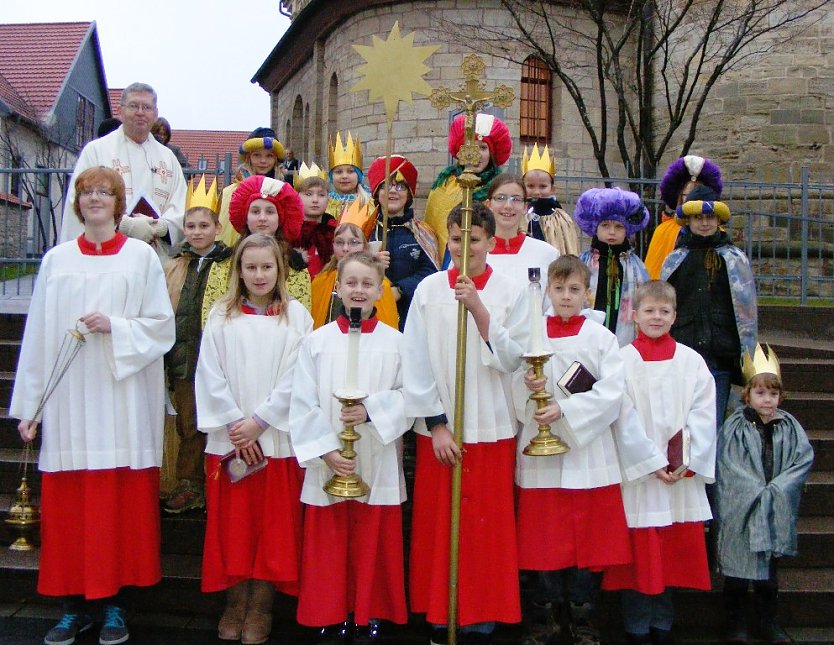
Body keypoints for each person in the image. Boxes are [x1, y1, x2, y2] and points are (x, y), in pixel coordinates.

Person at [11, 167, 175, 645]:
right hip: (69, 403)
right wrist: (31, 407)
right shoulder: (57, 261)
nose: (95, 199)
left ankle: (116, 607)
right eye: (87, 193)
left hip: (123, 399)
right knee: (70, 511)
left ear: (119, 204)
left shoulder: (140, 258)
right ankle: (71, 607)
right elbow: (38, 334)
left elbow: (161, 327)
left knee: (118, 510)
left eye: (105, 192)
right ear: (78, 204)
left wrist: (115, 326)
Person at [403, 203, 528, 644]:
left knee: (485, 530)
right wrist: (436, 423)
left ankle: (481, 618)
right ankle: (443, 616)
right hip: (441, 431)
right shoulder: (428, 290)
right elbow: (414, 360)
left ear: (491, 242)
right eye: (456, 239)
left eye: (473, 240)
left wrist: (478, 308)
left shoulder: (512, 290)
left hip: (491, 423)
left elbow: (514, 358)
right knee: (441, 528)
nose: (463, 248)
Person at [514, 255, 649, 645]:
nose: (566, 296)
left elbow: (613, 392)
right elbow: (512, 388)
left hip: (588, 454)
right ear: (547, 291)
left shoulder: (600, 337)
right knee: (543, 541)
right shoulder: (530, 333)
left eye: (574, 289)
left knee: (587, 544)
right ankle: (545, 617)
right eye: (559, 289)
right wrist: (527, 387)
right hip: (540, 455)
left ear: (587, 293)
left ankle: (583, 619)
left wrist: (566, 410)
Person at [196, 234, 313, 645]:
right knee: (234, 529)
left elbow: (299, 375)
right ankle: (234, 604)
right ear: (239, 272)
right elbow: (209, 373)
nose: (259, 275)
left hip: (275, 440)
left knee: (272, 529)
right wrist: (236, 423)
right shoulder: (221, 315)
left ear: (280, 269)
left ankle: (261, 606)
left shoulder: (297, 317)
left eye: (267, 266)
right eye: (251, 267)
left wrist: (260, 422)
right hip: (230, 440)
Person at [290, 251, 411, 645]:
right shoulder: (316, 342)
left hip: (376, 455)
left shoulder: (397, 344)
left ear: (380, 290)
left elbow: (409, 396)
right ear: (338, 288)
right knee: (329, 541)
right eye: (351, 283)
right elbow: (302, 402)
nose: (359, 290)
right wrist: (326, 451)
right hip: (329, 461)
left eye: (367, 283)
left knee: (371, 537)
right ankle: (329, 611)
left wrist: (372, 410)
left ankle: (367, 610)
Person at [602, 280, 717, 645]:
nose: (656, 317)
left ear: (674, 316)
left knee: (669, 557)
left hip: (679, 476)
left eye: (664, 311)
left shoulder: (691, 361)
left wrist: (685, 461)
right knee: (640, 558)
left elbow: (703, 413)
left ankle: (662, 627)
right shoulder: (622, 360)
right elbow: (622, 417)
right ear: (634, 316)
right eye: (649, 311)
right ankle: (637, 629)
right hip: (640, 477)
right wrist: (651, 462)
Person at [715, 345, 814, 645]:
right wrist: (756, 490)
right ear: (747, 395)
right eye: (760, 393)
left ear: (781, 397)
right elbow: (728, 464)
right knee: (736, 575)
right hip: (743, 511)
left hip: (773, 511)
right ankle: (736, 624)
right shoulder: (735, 427)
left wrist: (778, 488)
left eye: (773, 393)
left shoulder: (789, 426)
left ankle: (768, 622)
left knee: (769, 577)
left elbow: (801, 459)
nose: (767, 399)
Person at [162, 177, 233, 513]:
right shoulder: (175, 264)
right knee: (189, 424)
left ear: (218, 228)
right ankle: (189, 483)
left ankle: (220, 483)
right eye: (190, 226)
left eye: (204, 225)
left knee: (218, 420)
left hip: (217, 357)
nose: (196, 232)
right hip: (184, 358)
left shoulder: (229, 264)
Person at [661, 197, 757, 427]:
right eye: (698, 218)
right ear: (689, 221)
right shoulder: (676, 258)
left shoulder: (733, 258)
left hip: (721, 351)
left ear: (718, 221)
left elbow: (745, 308)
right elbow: (665, 301)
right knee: (681, 421)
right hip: (684, 347)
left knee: (715, 421)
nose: (704, 223)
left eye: (710, 217)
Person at [60, 83, 187, 255]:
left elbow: (181, 205)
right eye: (133, 106)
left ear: (155, 114)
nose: (140, 112)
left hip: (156, 255)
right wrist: (124, 224)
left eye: (147, 107)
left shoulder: (168, 158)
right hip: (107, 254)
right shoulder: (97, 150)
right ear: (120, 110)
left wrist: (162, 227)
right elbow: (78, 200)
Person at [423, 112, 512, 263]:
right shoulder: (444, 184)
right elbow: (431, 230)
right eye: (470, 146)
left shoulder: (501, 188)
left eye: (483, 147)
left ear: (491, 153)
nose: (475, 154)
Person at [367, 154, 439, 329]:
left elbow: (431, 272)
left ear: (409, 194)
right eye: (386, 185)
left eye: (400, 186)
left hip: (410, 313)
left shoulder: (422, 232)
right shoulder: (365, 230)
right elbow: (347, 266)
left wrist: (400, 289)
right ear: (377, 193)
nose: (393, 191)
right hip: (372, 312)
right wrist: (370, 262)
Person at [574, 187, 650, 346]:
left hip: (623, 338)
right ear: (595, 227)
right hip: (588, 340)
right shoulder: (583, 264)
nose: (612, 232)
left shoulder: (635, 267)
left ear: (627, 230)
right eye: (605, 225)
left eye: (618, 226)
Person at [223, 174, 312, 311]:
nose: (262, 218)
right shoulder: (224, 263)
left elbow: (301, 316)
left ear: (280, 218)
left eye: (270, 212)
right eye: (255, 211)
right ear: (246, 217)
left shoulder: (295, 267)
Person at [644, 155, 723, 280]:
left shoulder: (717, 233)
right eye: (689, 194)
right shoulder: (664, 231)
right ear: (680, 197)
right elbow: (654, 272)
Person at [311, 222, 398, 330]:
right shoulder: (320, 282)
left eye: (353, 242)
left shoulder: (380, 285)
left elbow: (387, 330)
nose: (345, 248)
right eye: (339, 242)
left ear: (365, 247)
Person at [484, 173, 559, 291]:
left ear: (525, 207)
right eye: (500, 198)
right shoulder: (472, 253)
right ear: (488, 205)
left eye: (516, 199)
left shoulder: (547, 254)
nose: (508, 206)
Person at [217, 127, 287, 247]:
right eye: (257, 155)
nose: (263, 161)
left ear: (276, 160)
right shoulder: (230, 193)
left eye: (269, 156)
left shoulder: (284, 193)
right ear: (248, 158)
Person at [521, 144, 580, 255]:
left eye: (543, 186)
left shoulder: (560, 218)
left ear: (552, 189)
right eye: (530, 186)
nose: (536, 192)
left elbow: (567, 245)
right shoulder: (518, 214)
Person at [326, 131, 374, 236]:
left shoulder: (370, 202)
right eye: (338, 172)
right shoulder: (325, 203)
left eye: (350, 171)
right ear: (331, 177)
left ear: (358, 176)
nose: (344, 176)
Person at [295, 163, 337, 278]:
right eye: (308, 194)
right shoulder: (289, 232)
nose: (315, 200)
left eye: (321, 195)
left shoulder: (336, 231)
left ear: (328, 199)